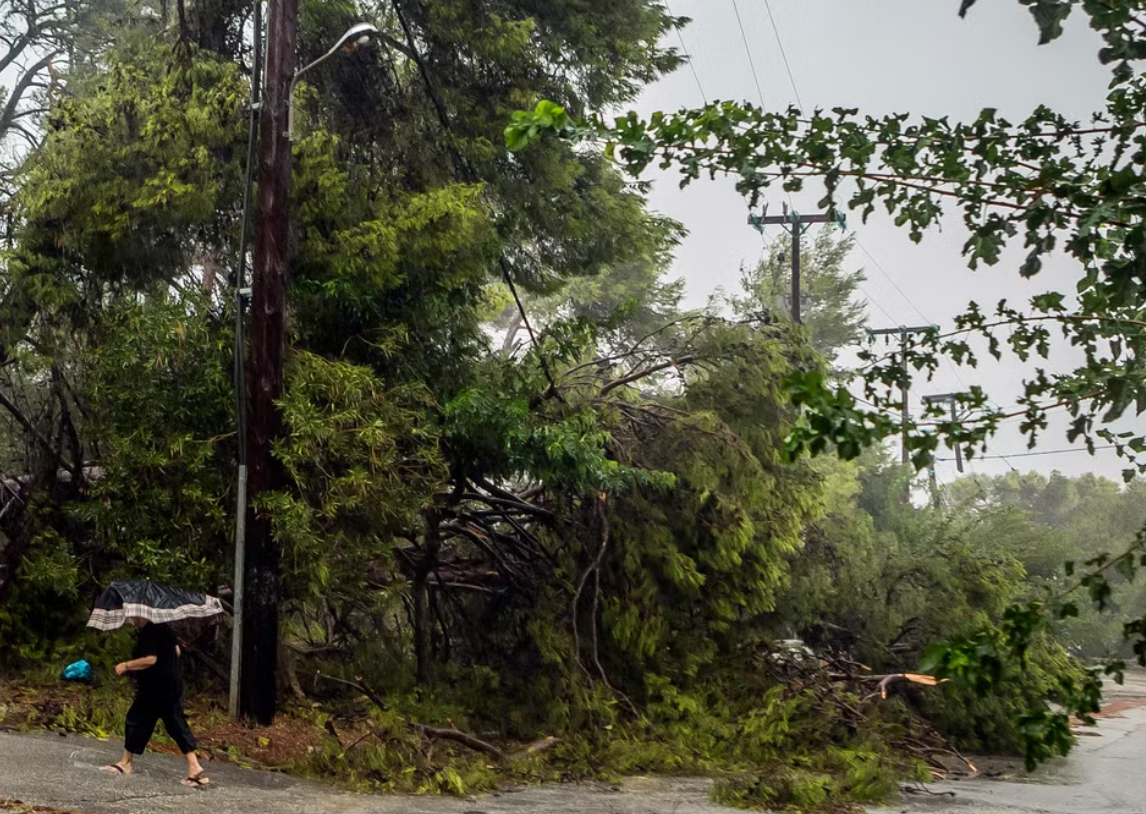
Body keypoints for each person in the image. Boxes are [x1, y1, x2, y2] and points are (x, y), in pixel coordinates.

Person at [102, 617, 209, 787]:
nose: (131, 618)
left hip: (154, 687)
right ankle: (194, 765)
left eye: (134, 615)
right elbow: (177, 651)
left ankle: (126, 763)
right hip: (171, 684)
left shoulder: (149, 631)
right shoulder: (165, 629)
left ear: (143, 614)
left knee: (135, 719)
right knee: (176, 724)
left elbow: (150, 659)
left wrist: (126, 665)